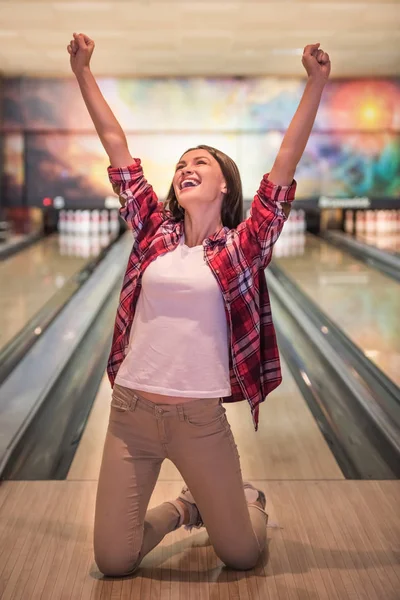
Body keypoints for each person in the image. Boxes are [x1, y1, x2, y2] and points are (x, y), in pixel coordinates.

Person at [68, 32, 330, 577]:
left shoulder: (242, 247)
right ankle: (186, 508)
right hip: (131, 415)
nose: (187, 167)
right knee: (113, 561)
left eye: (201, 163)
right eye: (182, 163)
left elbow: (285, 164)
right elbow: (117, 149)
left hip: (199, 420)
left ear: (225, 187)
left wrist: (316, 83)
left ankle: (245, 501)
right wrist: (82, 72)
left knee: (241, 555)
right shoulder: (152, 234)